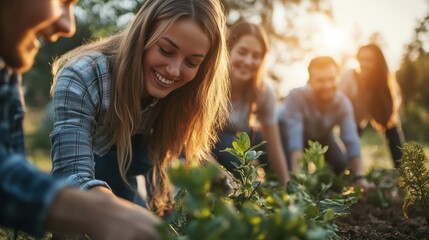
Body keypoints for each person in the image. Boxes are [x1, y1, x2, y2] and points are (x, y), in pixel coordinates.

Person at [50, 0, 229, 216]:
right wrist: (132, 219)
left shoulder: (182, 93)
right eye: (166, 50)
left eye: (191, 63)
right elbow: (73, 175)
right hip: (95, 177)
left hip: (136, 167)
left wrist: (234, 192)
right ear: (142, 35)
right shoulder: (82, 77)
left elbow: (188, 150)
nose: (174, 71)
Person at [0, 0, 160, 239]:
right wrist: (101, 213)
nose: (68, 26)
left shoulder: (7, 66)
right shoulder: (84, 74)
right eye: (61, 2)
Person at [212, 22, 289, 186]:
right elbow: (189, 139)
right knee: (235, 158)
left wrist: (288, 187)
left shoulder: (263, 92)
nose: (248, 61)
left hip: (231, 144)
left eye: (256, 56)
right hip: (199, 146)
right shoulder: (210, 83)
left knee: (268, 140)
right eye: (242, 52)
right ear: (228, 50)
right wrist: (220, 174)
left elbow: (274, 147)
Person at [278, 56, 372, 190]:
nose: (328, 86)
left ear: (338, 78)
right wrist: (297, 181)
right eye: (321, 81)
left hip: (322, 136)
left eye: (331, 79)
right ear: (309, 80)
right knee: (285, 169)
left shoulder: (343, 104)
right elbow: (295, 138)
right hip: (284, 133)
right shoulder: (296, 97)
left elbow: (351, 139)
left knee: (342, 166)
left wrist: (360, 177)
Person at [340, 44, 404, 168]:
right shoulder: (350, 77)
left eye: (369, 60)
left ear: (377, 64)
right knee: (343, 160)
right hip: (346, 124)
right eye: (361, 59)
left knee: (392, 128)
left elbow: (389, 122)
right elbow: (336, 106)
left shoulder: (380, 88)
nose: (364, 63)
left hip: (358, 125)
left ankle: (402, 170)